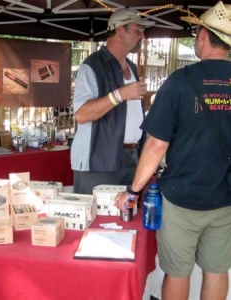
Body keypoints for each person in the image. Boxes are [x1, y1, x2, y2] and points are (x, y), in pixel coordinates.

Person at [115, 2, 231, 299]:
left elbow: (155, 145)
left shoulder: (181, 82)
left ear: (204, 36)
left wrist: (133, 191)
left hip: (183, 198)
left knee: (177, 272)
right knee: (217, 270)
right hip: (226, 197)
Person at [71, 8, 155, 194]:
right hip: (99, 161)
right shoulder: (91, 66)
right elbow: (82, 114)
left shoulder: (131, 67)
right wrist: (120, 95)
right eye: (137, 30)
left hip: (131, 158)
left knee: (124, 219)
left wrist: (147, 102)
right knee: (94, 217)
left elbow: (126, 111)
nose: (142, 36)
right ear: (119, 31)